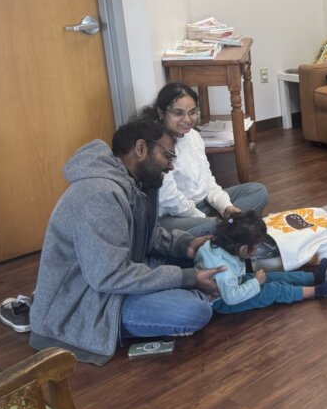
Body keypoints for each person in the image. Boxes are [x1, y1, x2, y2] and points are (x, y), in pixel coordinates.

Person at [29, 118, 226, 365]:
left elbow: (144, 234)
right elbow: (109, 276)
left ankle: (206, 286)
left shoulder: (138, 183)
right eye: (167, 156)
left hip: (120, 276)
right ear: (141, 148)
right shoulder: (99, 194)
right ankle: (208, 291)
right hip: (89, 303)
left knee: (208, 230)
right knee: (194, 311)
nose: (170, 166)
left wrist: (183, 245)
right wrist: (186, 278)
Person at [145, 82, 268, 233]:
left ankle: (227, 228)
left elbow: (207, 180)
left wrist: (225, 207)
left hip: (204, 205)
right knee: (212, 226)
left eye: (192, 112)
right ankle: (229, 229)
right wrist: (203, 219)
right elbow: (170, 200)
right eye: (178, 113)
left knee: (258, 191)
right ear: (161, 112)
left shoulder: (194, 136)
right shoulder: (156, 145)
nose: (187, 119)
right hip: (174, 216)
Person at [195, 211, 327, 314]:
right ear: (243, 248)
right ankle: (316, 292)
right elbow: (232, 298)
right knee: (272, 290)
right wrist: (255, 283)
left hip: (234, 282)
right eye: (256, 247)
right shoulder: (224, 270)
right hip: (225, 301)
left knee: (271, 276)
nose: (256, 251)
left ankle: (312, 278)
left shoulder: (218, 244)